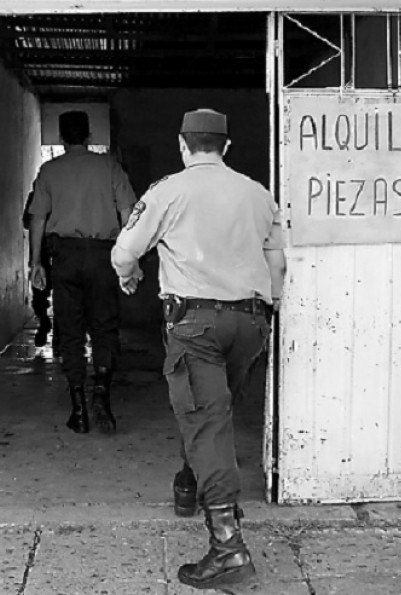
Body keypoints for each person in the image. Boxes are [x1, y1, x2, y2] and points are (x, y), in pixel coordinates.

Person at [111, 108, 287, 590]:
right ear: (226, 147)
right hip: (250, 323)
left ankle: (228, 548)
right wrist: (270, 309)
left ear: (183, 145)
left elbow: (125, 251)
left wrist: (130, 275)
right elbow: (277, 267)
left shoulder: (168, 191)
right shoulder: (258, 194)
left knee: (207, 420)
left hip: (196, 326)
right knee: (213, 413)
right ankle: (191, 483)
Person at [28, 110, 137, 434]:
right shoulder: (110, 167)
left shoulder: (49, 171)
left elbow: (37, 219)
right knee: (104, 326)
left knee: (70, 330)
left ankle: (78, 408)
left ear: (61, 138)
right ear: (89, 136)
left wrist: (36, 262)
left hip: (65, 257)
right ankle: (101, 393)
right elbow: (128, 211)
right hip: (103, 255)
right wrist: (127, 255)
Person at [22, 189, 59, 353]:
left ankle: (46, 324)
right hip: (54, 251)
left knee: (41, 293)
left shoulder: (37, 195)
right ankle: (54, 329)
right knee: (59, 293)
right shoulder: (61, 194)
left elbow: (26, 222)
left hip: (45, 251)